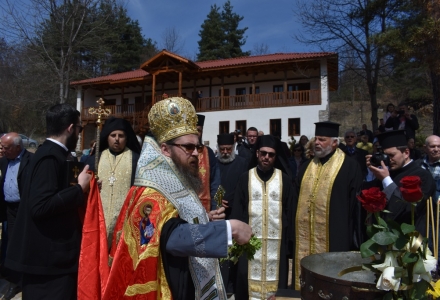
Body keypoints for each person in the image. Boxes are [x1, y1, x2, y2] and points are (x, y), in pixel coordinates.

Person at [102, 97, 252, 299]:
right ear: (165, 149)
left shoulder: (177, 179)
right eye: (189, 147)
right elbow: (171, 237)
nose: (196, 154)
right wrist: (228, 229)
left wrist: (205, 218)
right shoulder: (151, 192)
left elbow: (177, 219)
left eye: (198, 147)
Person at [5, 103, 92, 299]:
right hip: (47, 263)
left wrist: (85, 188)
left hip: (53, 260)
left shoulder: (53, 154)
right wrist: (79, 189)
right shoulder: (49, 157)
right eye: (79, 129)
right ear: (70, 128)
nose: (79, 134)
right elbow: (40, 206)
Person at [292, 121, 363, 290]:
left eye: (322, 140)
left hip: (336, 236)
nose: (317, 143)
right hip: (305, 237)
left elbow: (356, 207)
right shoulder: (306, 167)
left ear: (334, 143)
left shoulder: (349, 166)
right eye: (316, 139)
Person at [230, 135, 294, 299]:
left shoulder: (284, 180)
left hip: (277, 244)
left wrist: (289, 244)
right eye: (263, 153)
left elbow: (290, 211)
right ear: (257, 153)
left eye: (271, 154)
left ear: (275, 156)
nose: (267, 157)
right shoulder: (246, 178)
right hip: (248, 244)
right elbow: (237, 209)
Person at [85, 117, 141, 248]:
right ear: (107, 137)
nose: (117, 139)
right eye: (113, 135)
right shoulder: (95, 159)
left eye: (121, 136)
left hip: (125, 222)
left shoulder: (136, 159)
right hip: (99, 220)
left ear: (126, 138)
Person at [366, 130, 435, 235]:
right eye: (385, 156)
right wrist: (371, 172)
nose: (388, 160)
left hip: (410, 240)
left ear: (406, 153)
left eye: (391, 155)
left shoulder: (422, 176)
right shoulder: (387, 173)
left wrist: (386, 180)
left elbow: (406, 210)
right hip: (384, 239)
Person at [0, 133, 33, 299]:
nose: (2, 150)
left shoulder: (31, 160)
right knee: (10, 243)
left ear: (17, 147)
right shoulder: (4, 161)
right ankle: (13, 279)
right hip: (9, 210)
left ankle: (24, 280)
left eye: (6, 147)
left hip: (24, 209)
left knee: (24, 244)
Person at [215, 133, 248, 295]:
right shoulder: (214, 163)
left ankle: (234, 286)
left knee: (236, 252)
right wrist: (219, 200)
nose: (226, 152)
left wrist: (232, 202)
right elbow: (213, 184)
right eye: (223, 149)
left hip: (237, 213)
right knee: (221, 252)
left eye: (229, 149)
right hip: (219, 213)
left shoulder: (242, 163)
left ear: (234, 148)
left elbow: (244, 187)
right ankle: (222, 285)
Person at [196, 114, 221, 211]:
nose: (196, 133)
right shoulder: (180, 153)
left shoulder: (208, 152)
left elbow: (218, 185)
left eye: (198, 130)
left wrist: (218, 208)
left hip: (208, 211)